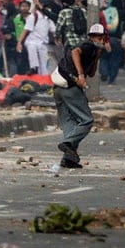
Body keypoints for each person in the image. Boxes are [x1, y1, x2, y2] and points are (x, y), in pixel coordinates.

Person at [51, 23, 109, 169]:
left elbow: (92, 73)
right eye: (97, 37)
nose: (99, 40)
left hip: (58, 88)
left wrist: (97, 56)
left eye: (100, 37)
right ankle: (67, 144)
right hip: (70, 86)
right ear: (93, 37)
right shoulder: (87, 45)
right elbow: (75, 52)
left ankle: (68, 159)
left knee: (70, 124)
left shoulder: (93, 50)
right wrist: (80, 75)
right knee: (87, 120)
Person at [17, 0, 55, 75]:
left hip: (43, 43)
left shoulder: (48, 18)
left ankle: (43, 79)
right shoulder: (33, 16)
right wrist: (19, 42)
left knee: (44, 64)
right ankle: (33, 68)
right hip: (32, 41)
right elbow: (25, 30)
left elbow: (54, 30)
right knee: (32, 49)